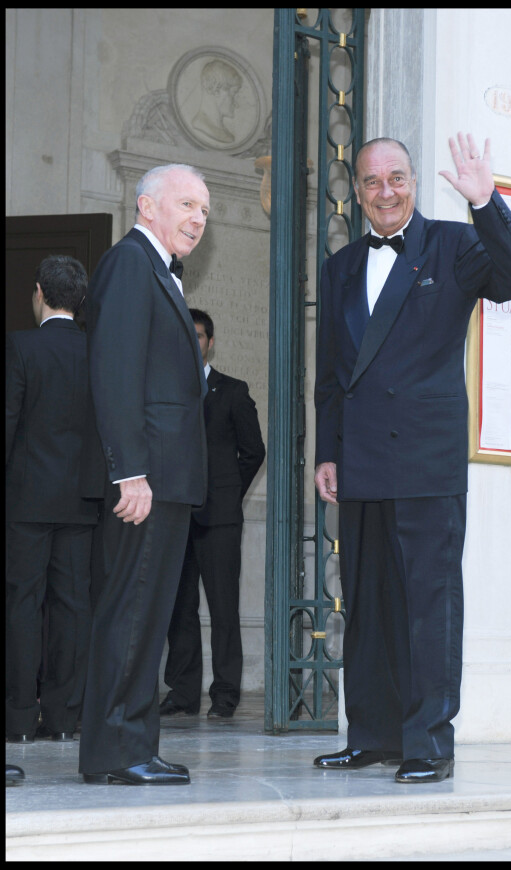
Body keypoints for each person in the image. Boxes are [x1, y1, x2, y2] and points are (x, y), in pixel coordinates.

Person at [313, 133, 511, 783]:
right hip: (359, 460)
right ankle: (373, 736)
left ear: (414, 181)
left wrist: (485, 201)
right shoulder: (339, 267)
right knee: (368, 605)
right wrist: (328, 451)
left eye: (396, 178)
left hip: (424, 459)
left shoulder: (455, 242)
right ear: (355, 193)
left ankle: (428, 745)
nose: (385, 191)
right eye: (370, 182)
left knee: (427, 605)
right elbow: (330, 371)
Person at [78, 163, 210, 785]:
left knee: (146, 616)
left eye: (204, 211)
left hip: (166, 479)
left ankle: (136, 743)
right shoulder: (131, 263)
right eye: (186, 204)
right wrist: (130, 472)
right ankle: (117, 751)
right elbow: (114, 371)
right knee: (131, 612)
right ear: (147, 205)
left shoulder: (158, 270)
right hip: (146, 482)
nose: (197, 219)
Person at [6, 255, 97, 744]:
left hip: (27, 502)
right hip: (82, 504)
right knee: (73, 609)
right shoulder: (96, 351)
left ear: (39, 292)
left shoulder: (20, 346)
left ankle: (19, 719)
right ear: (80, 301)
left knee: (22, 605)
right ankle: (63, 719)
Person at [161, 309, 265, 720]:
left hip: (219, 518)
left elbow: (254, 451)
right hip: (176, 517)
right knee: (178, 608)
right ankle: (182, 694)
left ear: (210, 342)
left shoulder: (233, 391)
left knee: (223, 609)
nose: (194, 341)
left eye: (200, 335)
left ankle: (225, 695)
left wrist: (227, 492)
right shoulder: (167, 389)